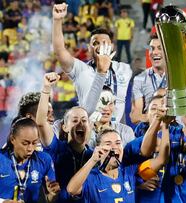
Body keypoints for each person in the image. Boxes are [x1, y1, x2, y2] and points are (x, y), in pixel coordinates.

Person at [130, 0, 186, 124]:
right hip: (153, 132)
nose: (155, 52)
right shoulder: (140, 79)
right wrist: (158, 116)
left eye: (159, 48)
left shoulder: (182, 68)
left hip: (183, 130)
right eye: (152, 48)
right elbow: (135, 117)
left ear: (168, 48)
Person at [52, 3, 132, 123]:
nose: (100, 46)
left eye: (105, 42)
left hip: (115, 134)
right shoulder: (81, 70)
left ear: (112, 46)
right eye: (95, 43)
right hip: (88, 132)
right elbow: (60, 52)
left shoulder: (124, 69)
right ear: (89, 48)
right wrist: (57, 21)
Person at [36, 72, 93, 203]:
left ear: (90, 126)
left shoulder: (94, 156)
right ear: (64, 127)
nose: (80, 124)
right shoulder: (56, 148)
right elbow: (40, 122)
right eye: (75, 120)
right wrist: (46, 89)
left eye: (84, 120)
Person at [0, 117, 60, 203]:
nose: (30, 148)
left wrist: (53, 195)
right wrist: (2, 202)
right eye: (25, 143)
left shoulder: (44, 160)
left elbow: (49, 199)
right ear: (12, 139)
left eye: (34, 142)